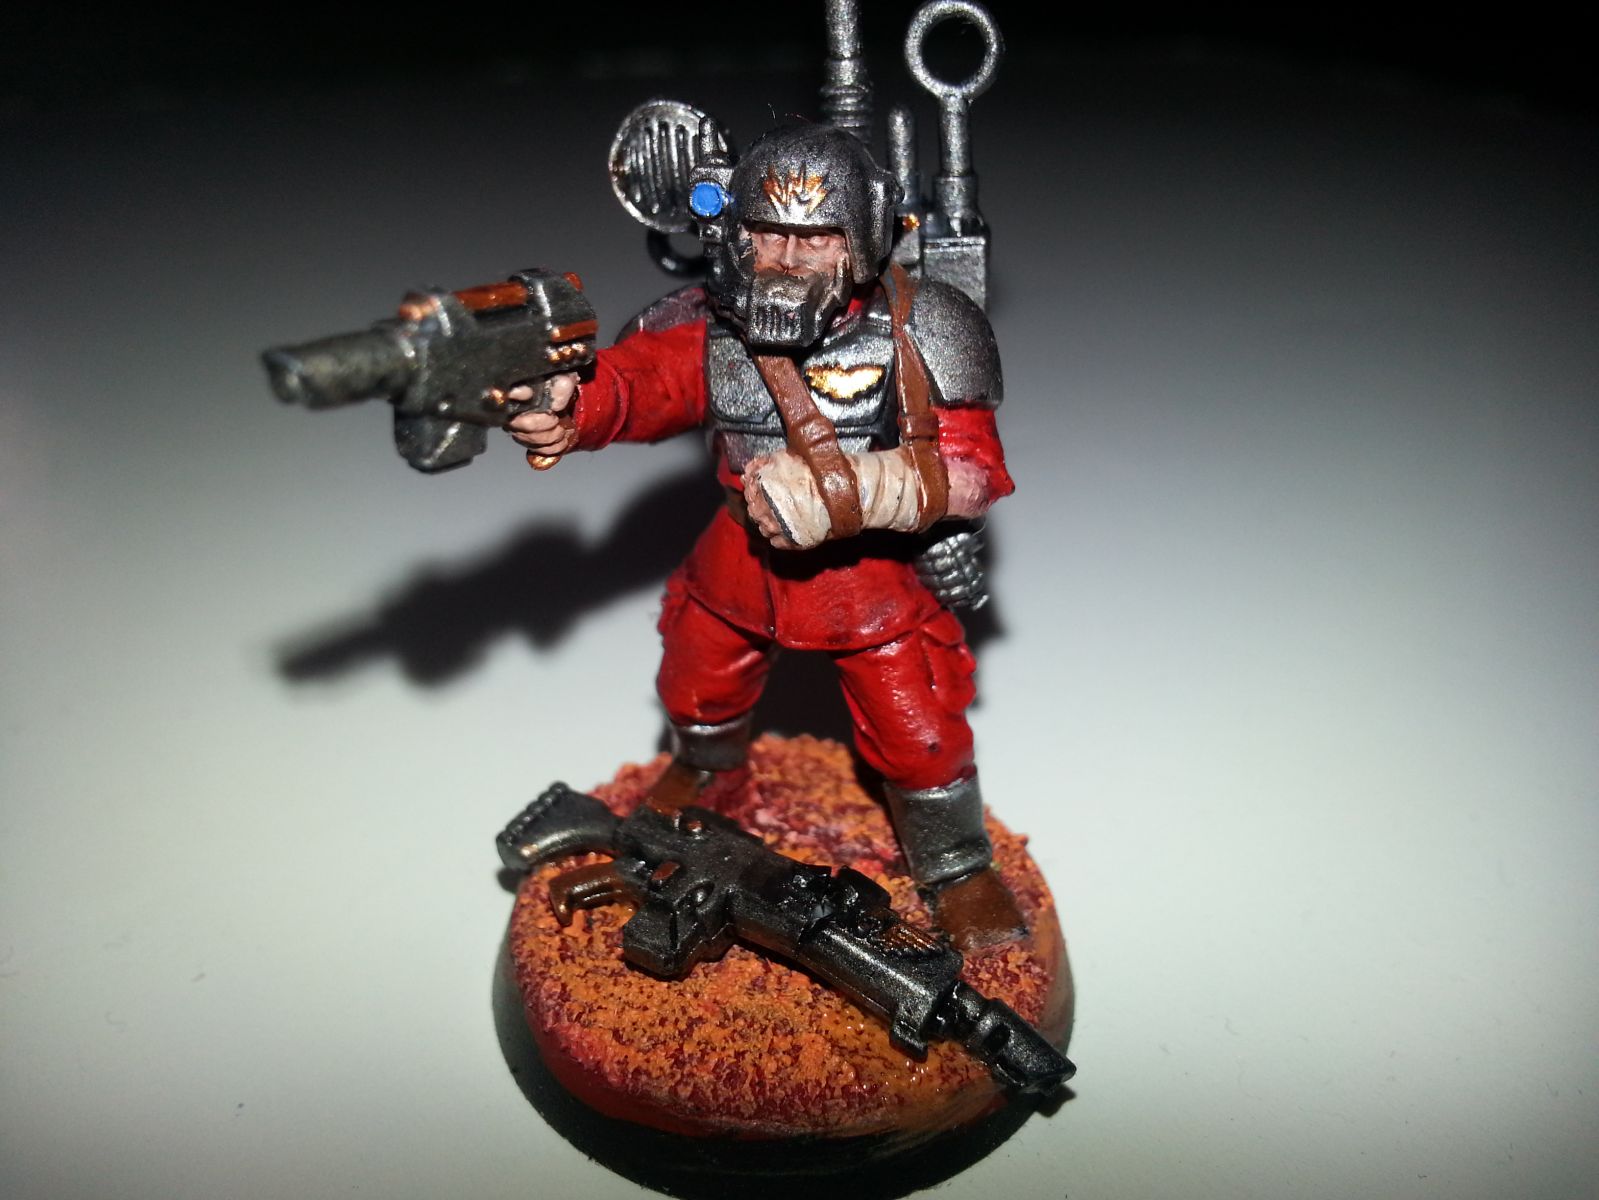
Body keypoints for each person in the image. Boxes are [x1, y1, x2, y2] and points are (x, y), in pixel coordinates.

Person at [508, 124, 1023, 949]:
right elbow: (644, 383)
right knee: (694, 683)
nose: (784, 259)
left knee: (917, 731)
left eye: (814, 238)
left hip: (867, 576)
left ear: (860, 239)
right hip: (739, 556)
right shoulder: (716, 326)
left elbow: (973, 473)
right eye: (765, 234)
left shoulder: (925, 327)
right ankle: (709, 775)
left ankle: (956, 866)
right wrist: (572, 407)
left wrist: (858, 491)